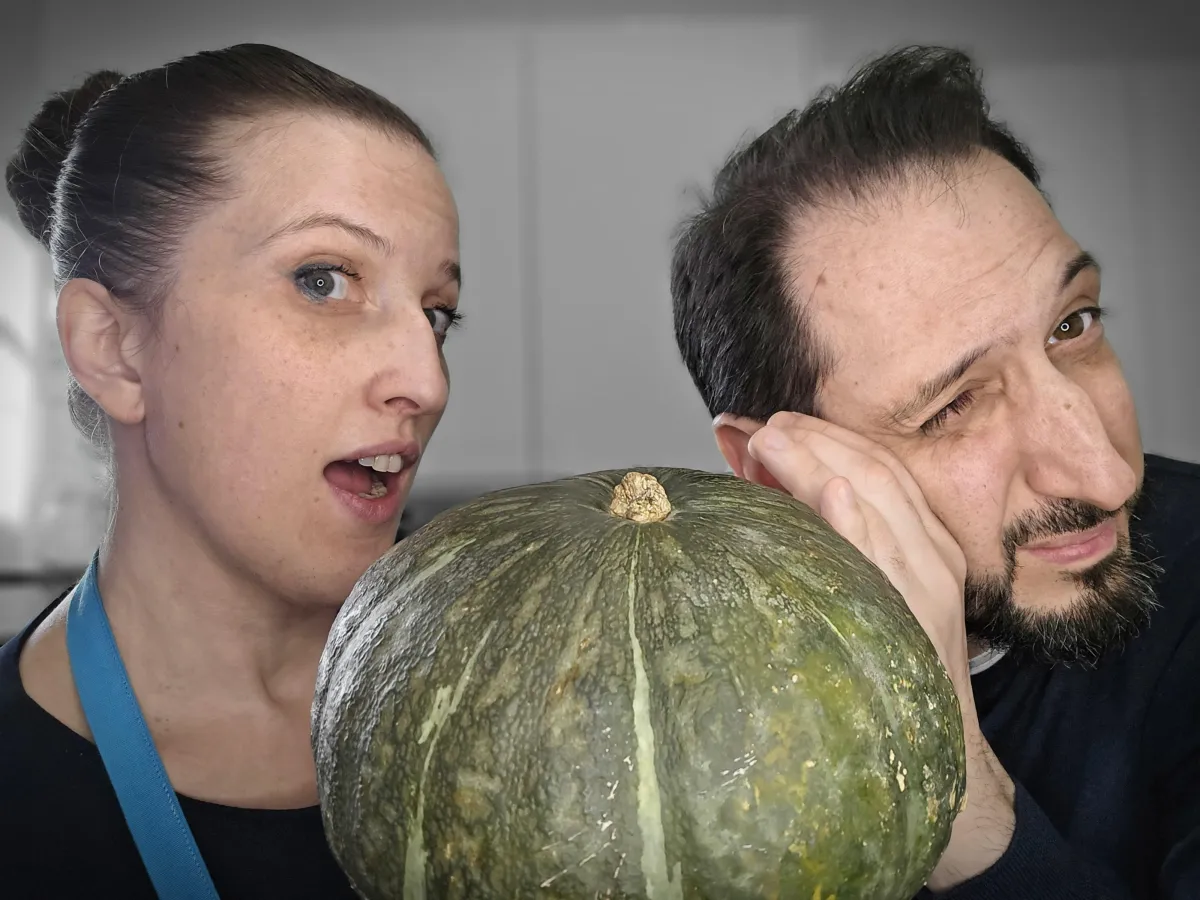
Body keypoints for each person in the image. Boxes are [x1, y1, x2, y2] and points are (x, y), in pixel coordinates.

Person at [670, 45, 1199, 899]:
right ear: (776, 476)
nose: (1105, 475)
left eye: (1073, 324)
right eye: (953, 406)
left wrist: (952, 791)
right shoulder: (681, 704)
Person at [1, 43, 462, 898]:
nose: (427, 381)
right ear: (116, 350)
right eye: (323, 280)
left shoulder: (510, 712)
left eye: (437, 315)